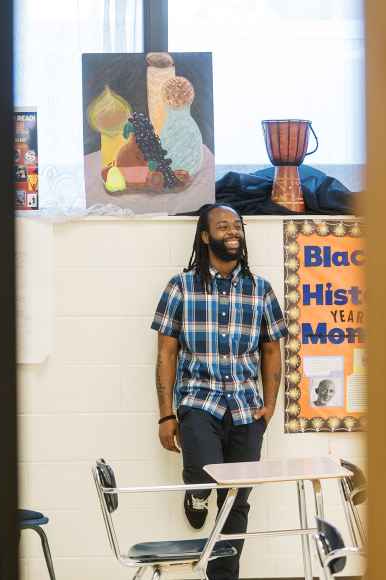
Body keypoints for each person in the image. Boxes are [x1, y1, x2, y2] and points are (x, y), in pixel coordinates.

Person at [151, 204, 286, 580]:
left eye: (238, 226)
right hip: (198, 402)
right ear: (206, 236)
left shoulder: (261, 290)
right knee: (202, 472)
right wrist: (166, 414)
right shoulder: (181, 286)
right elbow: (166, 351)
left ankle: (222, 576)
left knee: (237, 500)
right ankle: (195, 493)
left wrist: (270, 405)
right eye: (223, 226)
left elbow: (272, 349)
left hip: (247, 410)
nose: (233, 231)